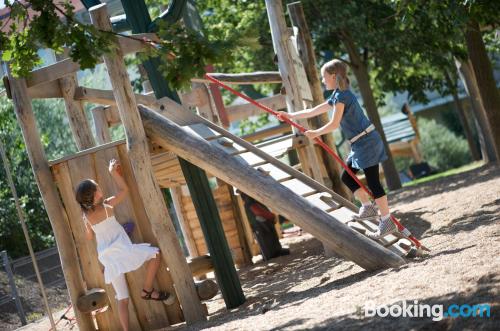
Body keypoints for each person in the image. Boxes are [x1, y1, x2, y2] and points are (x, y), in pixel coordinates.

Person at [277, 59, 396, 239]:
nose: (323, 80)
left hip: (367, 141)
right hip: (359, 143)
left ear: (333, 76)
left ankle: (386, 221)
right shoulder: (336, 95)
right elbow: (313, 111)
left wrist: (315, 132)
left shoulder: (343, 96)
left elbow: (333, 124)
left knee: (372, 181)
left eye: (324, 77)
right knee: (347, 176)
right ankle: (368, 207)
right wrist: (290, 115)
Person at [75, 159, 175, 331]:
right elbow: (125, 190)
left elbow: (90, 237)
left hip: (109, 259)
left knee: (123, 298)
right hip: (123, 250)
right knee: (156, 254)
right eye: (97, 187)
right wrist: (113, 173)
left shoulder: (86, 217)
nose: (100, 188)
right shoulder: (106, 206)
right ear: (93, 195)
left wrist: (89, 225)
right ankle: (147, 290)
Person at [239, 192, 290, 260]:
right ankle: (271, 254)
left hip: (262, 224)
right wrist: (271, 216)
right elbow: (259, 212)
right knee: (266, 239)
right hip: (261, 225)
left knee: (270, 237)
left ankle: (276, 251)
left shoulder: (251, 203)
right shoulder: (251, 204)